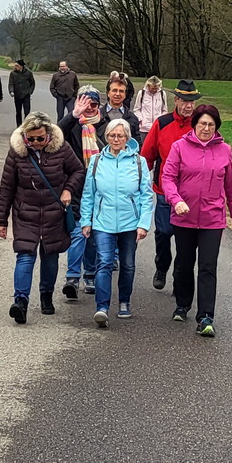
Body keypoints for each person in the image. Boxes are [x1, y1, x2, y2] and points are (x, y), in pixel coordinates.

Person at [161, 103, 232, 337]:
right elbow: (167, 178)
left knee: (208, 266)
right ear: (194, 125)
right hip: (183, 216)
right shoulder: (179, 147)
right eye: (202, 124)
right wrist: (176, 200)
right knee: (184, 263)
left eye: (211, 124)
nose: (206, 128)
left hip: (212, 219)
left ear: (216, 127)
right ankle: (182, 304)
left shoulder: (225, 150)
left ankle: (206, 316)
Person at [0, 111, 85, 325]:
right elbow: (7, 187)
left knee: (50, 255)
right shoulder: (17, 153)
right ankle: (21, 301)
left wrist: (68, 190)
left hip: (54, 213)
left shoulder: (61, 148)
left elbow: (78, 171)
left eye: (40, 138)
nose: (35, 142)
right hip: (25, 212)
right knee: (25, 256)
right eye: (31, 138)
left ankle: (46, 295)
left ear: (49, 136)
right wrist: (1, 220)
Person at [79, 118, 155, 327]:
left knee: (128, 264)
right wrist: (86, 221)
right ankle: (101, 307)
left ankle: (124, 302)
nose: (116, 139)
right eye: (112, 135)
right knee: (103, 263)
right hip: (103, 222)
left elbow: (146, 196)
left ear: (127, 138)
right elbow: (88, 194)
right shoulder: (96, 162)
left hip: (130, 224)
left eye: (120, 135)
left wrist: (143, 224)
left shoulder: (139, 162)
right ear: (107, 137)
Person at [139, 79, 200, 291]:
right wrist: (138, 182)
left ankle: (180, 275)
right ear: (176, 100)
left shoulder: (199, 125)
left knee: (185, 239)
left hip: (191, 193)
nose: (189, 106)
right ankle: (162, 266)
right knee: (164, 232)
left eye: (192, 101)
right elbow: (147, 155)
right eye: (185, 101)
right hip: (165, 190)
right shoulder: (162, 123)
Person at [57, 85, 104, 298]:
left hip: (100, 187)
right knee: (78, 232)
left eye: (93, 104)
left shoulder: (106, 126)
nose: (89, 108)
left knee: (92, 233)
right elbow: (56, 136)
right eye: (84, 104)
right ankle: (72, 277)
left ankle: (91, 274)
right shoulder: (73, 125)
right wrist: (73, 115)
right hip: (75, 185)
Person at [132, 76, 169, 146]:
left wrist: (161, 120)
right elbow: (137, 109)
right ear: (148, 86)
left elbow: (164, 110)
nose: (154, 90)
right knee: (144, 148)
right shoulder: (141, 93)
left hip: (157, 128)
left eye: (156, 88)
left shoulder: (162, 94)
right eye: (152, 88)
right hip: (144, 129)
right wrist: (141, 120)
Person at [7, 61, 35, 127]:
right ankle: (19, 126)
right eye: (15, 66)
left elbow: (32, 83)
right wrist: (11, 91)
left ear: (21, 66)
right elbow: (11, 83)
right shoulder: (13, 74)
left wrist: (30, 91)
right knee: (18, 112)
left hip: (26, 95)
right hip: (17, 95)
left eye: (17, 66)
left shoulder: (28, 73)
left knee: (27, 112)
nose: (15, 67)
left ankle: (26, 126)